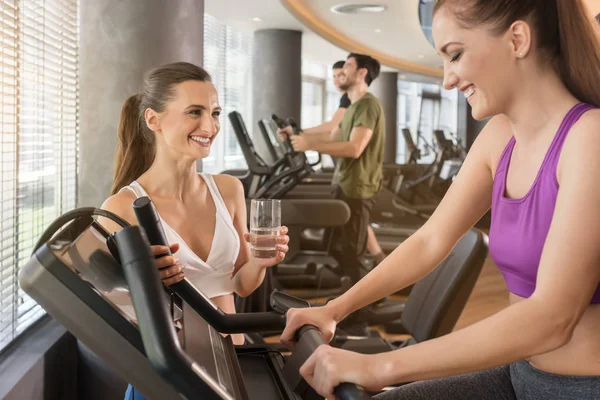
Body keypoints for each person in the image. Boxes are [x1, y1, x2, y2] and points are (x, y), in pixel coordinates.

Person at [280, 0, 600, 399]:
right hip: (520, 374)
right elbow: (430, 239)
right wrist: (333, 309)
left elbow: (553, 317)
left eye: (456, 55)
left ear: (517, 39)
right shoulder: (500, 136)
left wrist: (380, 365)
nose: (447, 79)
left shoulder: (589, 138)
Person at [98, 62, 290, 400]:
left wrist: (261, 261)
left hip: (233, 359)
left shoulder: (229, 189)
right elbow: (112, 312)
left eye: (215, 113)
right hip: (170, 374)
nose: (210, 125)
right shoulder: (120, 207)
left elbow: (240, 284)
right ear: (153, 120)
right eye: (194, 112)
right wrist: (145, 281)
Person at [279, 53, 385, 285]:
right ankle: (351, 296)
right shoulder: (353, 106)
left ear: (361, 73)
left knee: (352, 252)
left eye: (346, 66)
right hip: (345, 184)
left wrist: (309, 144)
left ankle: (365, 309)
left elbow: (355, 148)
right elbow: (332, 138)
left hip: (358, 187)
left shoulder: (367, 104)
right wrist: (297, 137)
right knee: (340, 249)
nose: (340, 72)